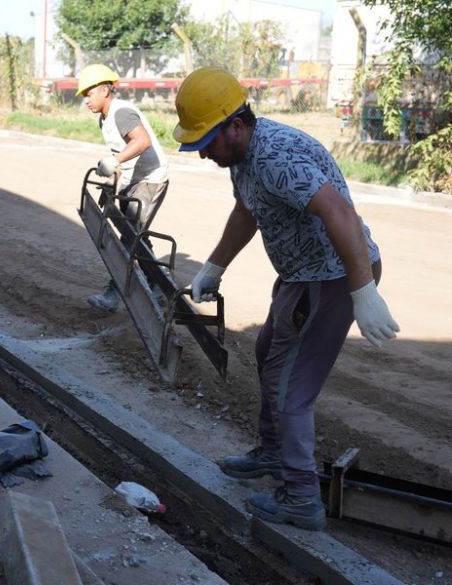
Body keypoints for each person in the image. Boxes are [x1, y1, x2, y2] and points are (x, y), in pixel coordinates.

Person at [173, 67, 399, 531]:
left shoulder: (276, 157)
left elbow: (339, 211)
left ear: (236, 125)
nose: (202, 154)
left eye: (206, 142)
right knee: (267, 353)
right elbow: (247, 210)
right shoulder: (241, 157)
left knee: (290, 389)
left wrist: (362, 290)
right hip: (302, 273)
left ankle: (301, 498)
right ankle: (273, 452)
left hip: (334, 275)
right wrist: (214, 266)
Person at [76, 64, 170, 312]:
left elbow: (142, 141)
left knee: (129, 236)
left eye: (89, 93)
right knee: (135, 233)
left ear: (105, 90)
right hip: (133, 179)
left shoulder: (122, 113)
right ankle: (159, 285)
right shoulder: (104, 119)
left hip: (150, 179)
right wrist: (112, 177)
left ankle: (113, 294)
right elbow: (122, 151)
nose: (87, 100)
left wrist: (114, 162)